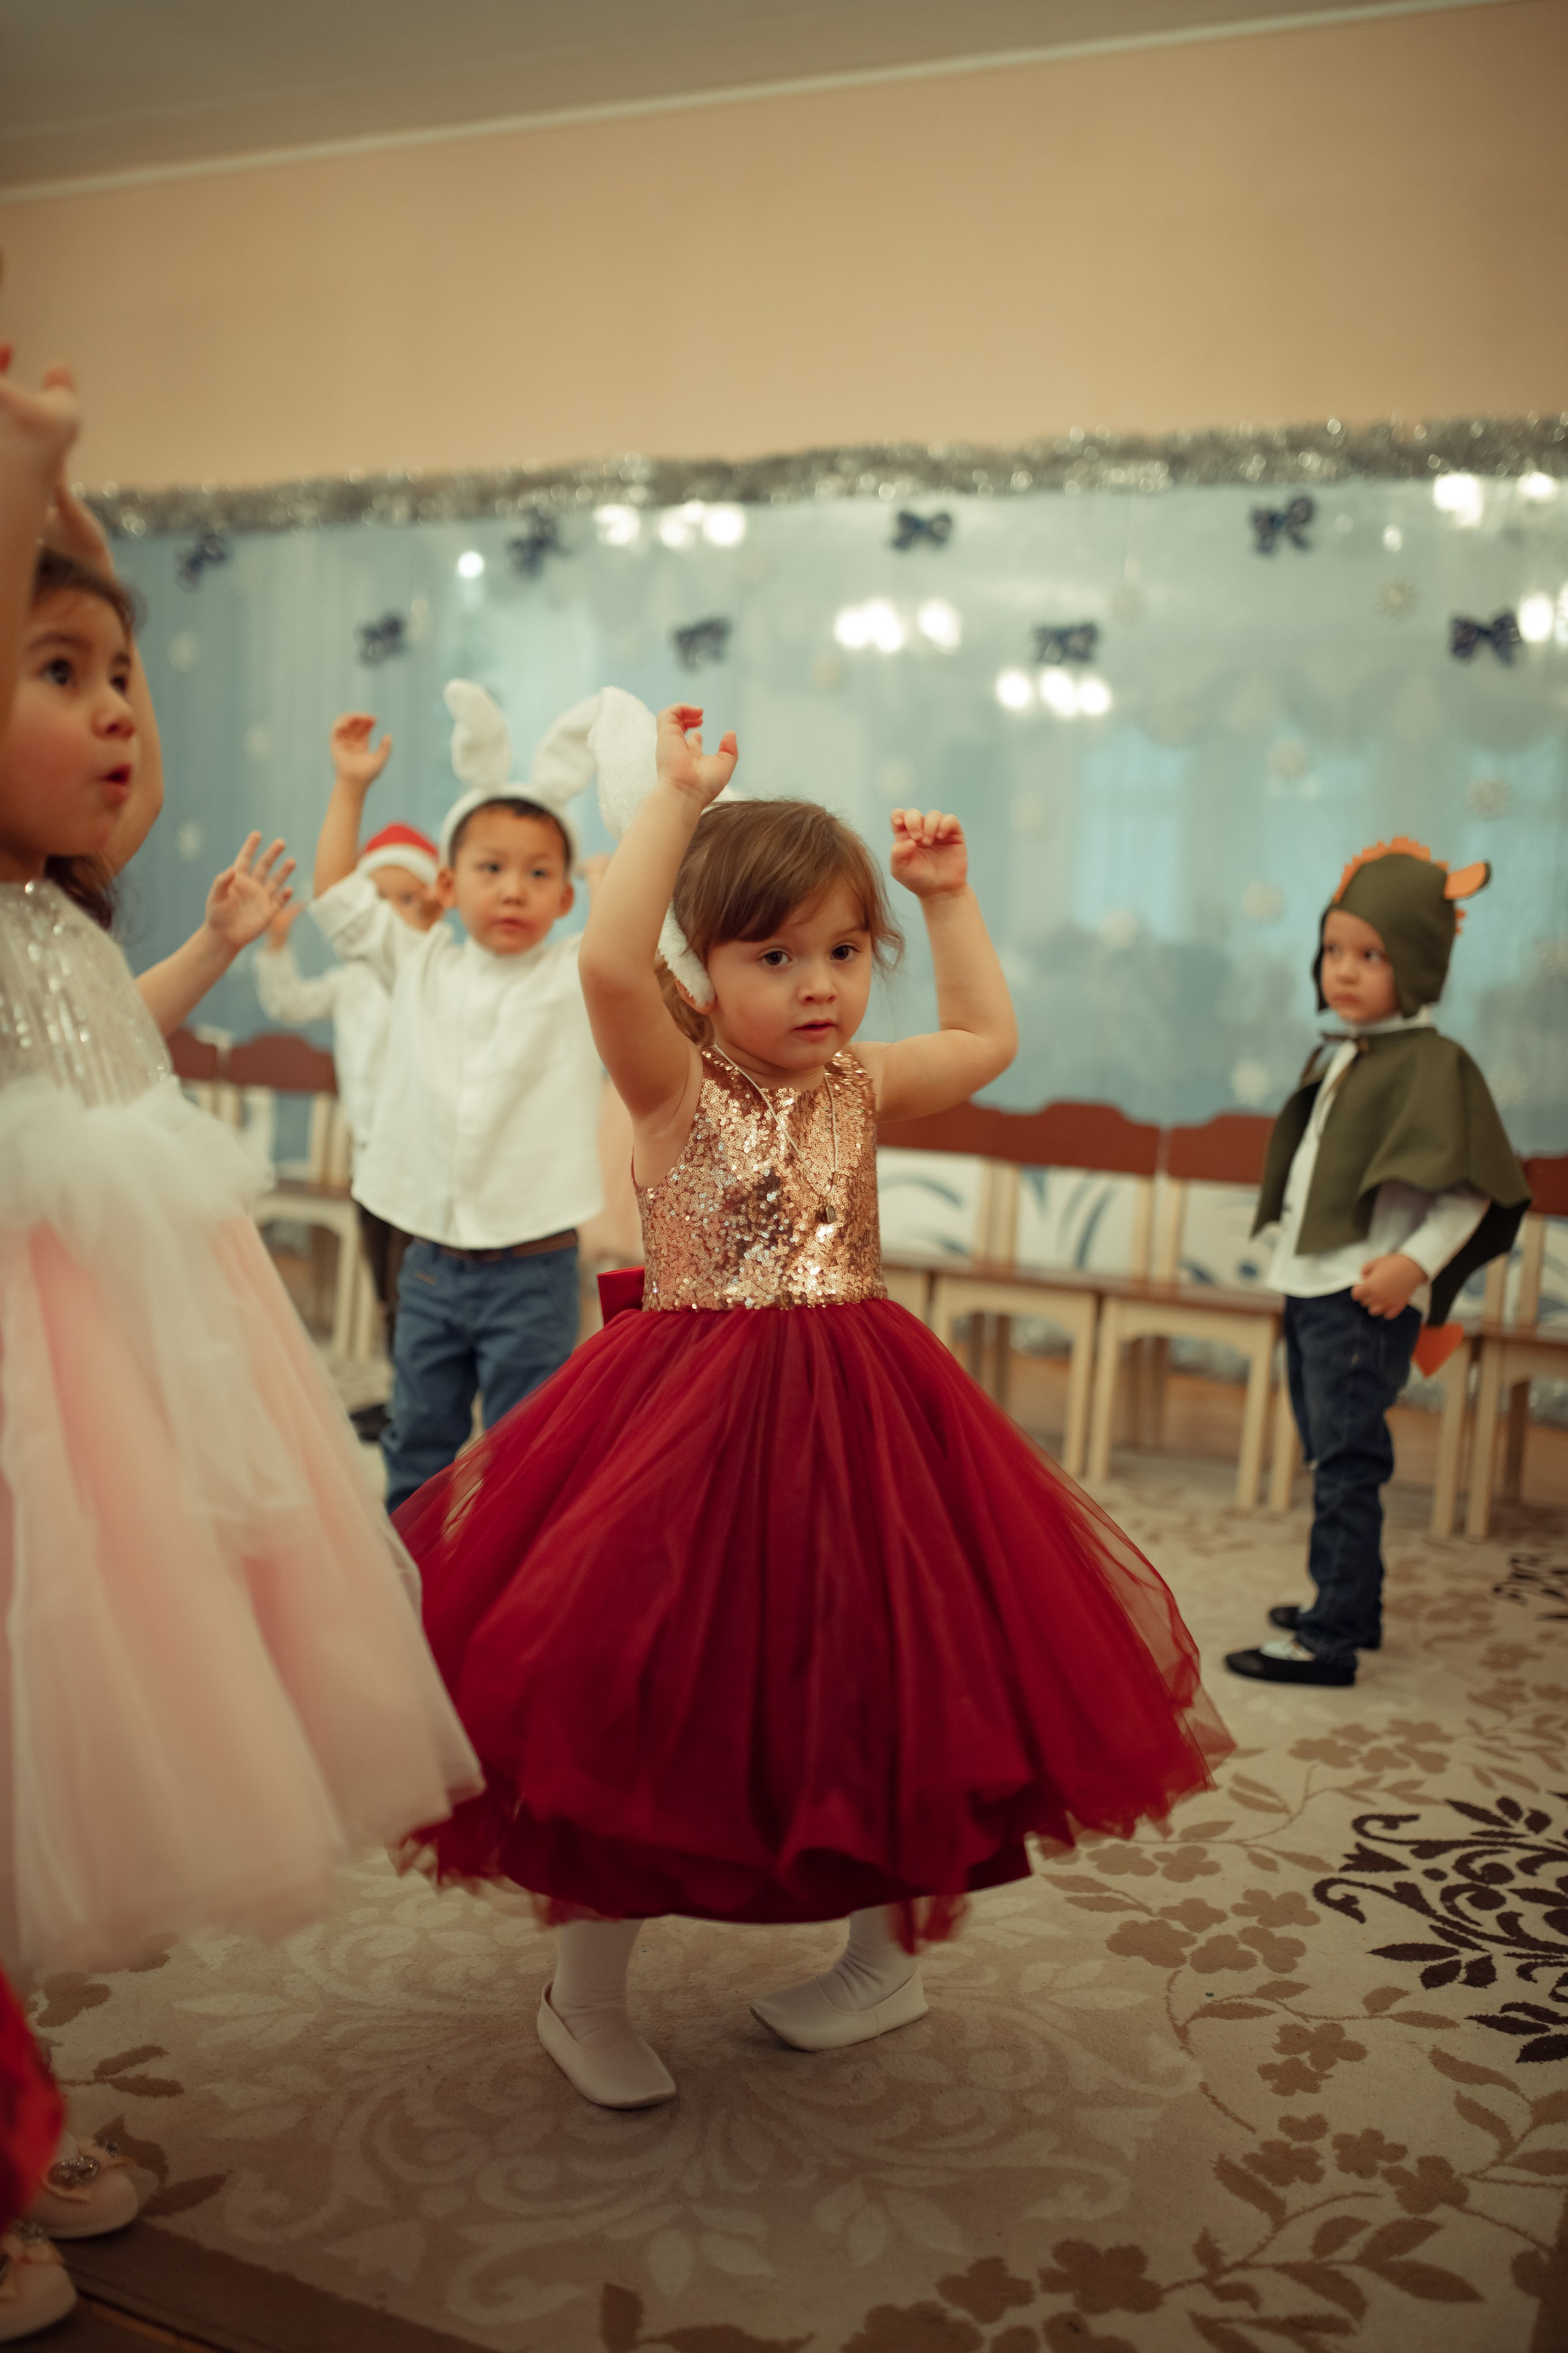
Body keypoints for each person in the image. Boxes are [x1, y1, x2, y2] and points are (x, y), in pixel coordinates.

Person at [396, 692, 1232, 2112]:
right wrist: (673, 799)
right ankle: (580, 1993)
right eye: (772, 955)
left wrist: (946, 898)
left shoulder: (857, 1081)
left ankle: (879, 1960)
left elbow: (982, 1034)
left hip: (863, 1413)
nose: (815, 984)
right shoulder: (670, 1079)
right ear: (703, 968)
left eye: (843, 951)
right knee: (642, 1693)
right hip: (685, 1420)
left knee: (889, 1681)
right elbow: (604, 956)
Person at [0, 352, 479, 2003]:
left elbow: (92, 1048)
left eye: (126, 675)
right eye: (60, 672)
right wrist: (29, 480)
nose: (119, 711)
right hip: (28, 1350)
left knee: (94, 1690)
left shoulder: (62, 910)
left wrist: (209, 942)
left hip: (121, 1334)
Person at [1225, 839, 1530, 1690]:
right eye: (1334, 949)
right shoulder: (1347, 1053)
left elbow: (1468, 1193)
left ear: (1420, 963)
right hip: (1313, 1288)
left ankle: (1330, 1639)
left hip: (1362, 1299)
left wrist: (1412, 1266)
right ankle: (1352, 1603)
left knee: (1347, 1464)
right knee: (1329, 1452)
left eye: (1372, 955)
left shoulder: (1435, 1066)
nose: (1344, 970)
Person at [311, 682, 606, 1513]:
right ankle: (411, 1577)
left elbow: (648, 939)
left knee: (524, 1456)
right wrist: (351, 785)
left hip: (534, 1268)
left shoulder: (576, 973)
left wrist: (660, 825)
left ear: (566, 897)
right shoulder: (419, 963)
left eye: (538, 873)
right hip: (432, 1261)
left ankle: (506, 1581)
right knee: (418, 1440)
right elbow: (336, 897)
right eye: (491, 869)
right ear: (447, 883)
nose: (513, 890)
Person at [257, 787, 441, 1425]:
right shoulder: (348, 981)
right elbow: (288, 1003)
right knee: (385, 1283)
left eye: (407, 900)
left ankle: (422, 1398)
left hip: (419, 1162)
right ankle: (401, 1394)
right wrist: (276, 946)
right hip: (369, 1160)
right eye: (377, 900)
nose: (389, 916)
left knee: (415, 1286)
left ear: (438, 906)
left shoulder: (435, 979)